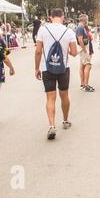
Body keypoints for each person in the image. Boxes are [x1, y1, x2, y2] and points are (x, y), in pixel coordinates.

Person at [35, 8, 77, 140]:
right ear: (63, 17)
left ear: (50, 17)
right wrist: (65, 51)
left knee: (50, 98)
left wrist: (37, 68)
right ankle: (65, 121)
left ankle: (52, 126)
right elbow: (74, 52)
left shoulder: (42, 30)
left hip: (47, 68)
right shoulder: (69, 31)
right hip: (63, 68)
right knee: (64, 95)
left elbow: (38, 51)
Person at [76, 14, 94, 92]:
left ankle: (83, 84)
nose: (87, 21)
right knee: (88, 65)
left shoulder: (82, 27)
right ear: (84, 20)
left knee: (82, 66)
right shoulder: (80, 28)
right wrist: (85, 50)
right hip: (84, 50)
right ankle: (85, 85)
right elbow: (80, 40)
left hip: (84, 49)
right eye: (87, 19)